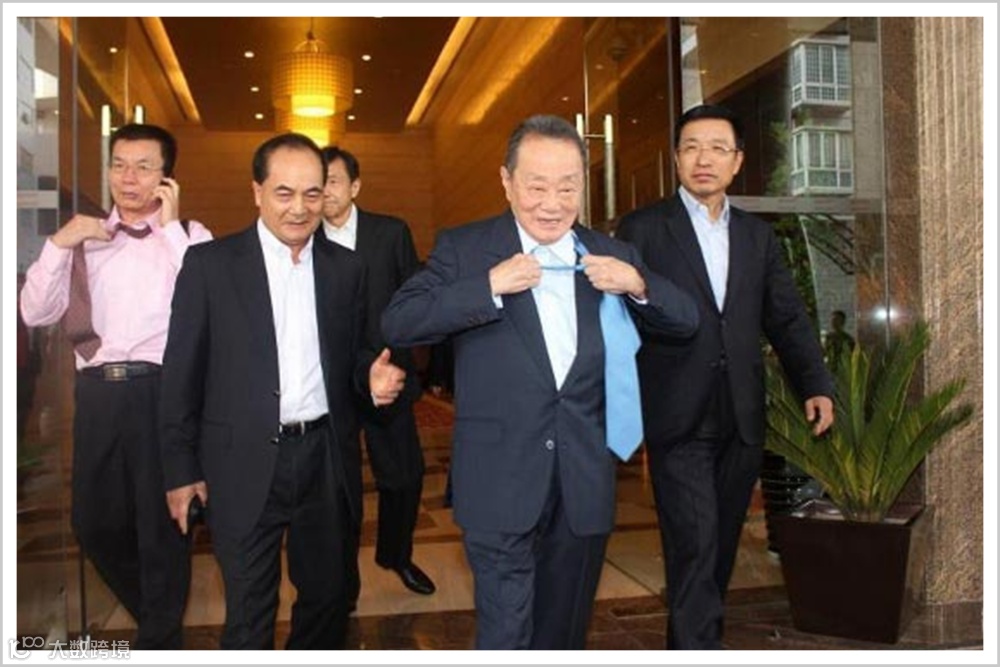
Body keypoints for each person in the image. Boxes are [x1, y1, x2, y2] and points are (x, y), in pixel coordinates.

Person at [382, 114, 699, 649]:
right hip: (498, 481)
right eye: (536, 186)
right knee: (506, 634)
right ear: (506, 182)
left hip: (583, 484)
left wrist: (637, 283)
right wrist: (488, 286)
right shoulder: (467, 249)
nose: (552, 203)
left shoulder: (610, 254)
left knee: (563, 634)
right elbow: (399, 321)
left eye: (568, 187)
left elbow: (686, 320)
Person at [158, 133, 406, 650]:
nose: (300, 208)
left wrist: (370, 377)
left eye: (313, 194)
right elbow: (181, 375)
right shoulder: (210, 266)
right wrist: (181, 471)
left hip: (325, 459)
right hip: (241, 462)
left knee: (328, 600)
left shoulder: (346, 269)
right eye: (284, 193)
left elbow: (355, 356)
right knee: (249, 612)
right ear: (257, 192)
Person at [616, 103, 835, 649]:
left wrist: (815, 384)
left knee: (717, 547)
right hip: (677, 412)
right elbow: (620, 320)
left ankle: (688, 642)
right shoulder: (644, 228)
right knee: (693, 542)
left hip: (741, 412)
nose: (703, 159)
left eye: (717, 148)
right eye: (691, 147)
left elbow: (785, 316)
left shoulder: (758, 237)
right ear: (675, 159)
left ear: (737, 162)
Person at [19, 123, 212, 649]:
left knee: (163, 527)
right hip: (97, 395)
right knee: (93, 525)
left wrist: (170, 229)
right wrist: (58, 244)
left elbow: (208, 302)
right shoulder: (82, 240)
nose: (129, 178)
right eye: (120, 165)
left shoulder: (190, 237)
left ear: (167, 178)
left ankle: (158, 642)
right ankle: (160, 626)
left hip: (162, 393)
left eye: (144, 167)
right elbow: (35, 313)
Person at [319, 145, 435, 601]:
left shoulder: (390, 233)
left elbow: (413, 297)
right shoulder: (305, 240)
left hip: (389, 374)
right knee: (339, 490)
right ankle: (343, 580)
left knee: (404, 476)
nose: (324, 191)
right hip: (333, 381)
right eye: (318, 182)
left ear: (354, 186)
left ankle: (396, 554)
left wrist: (409, 362)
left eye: (332, 181)